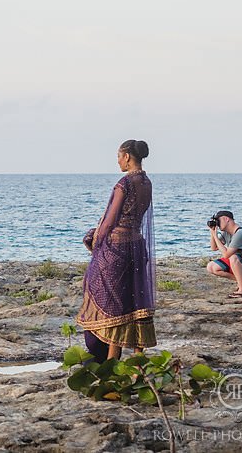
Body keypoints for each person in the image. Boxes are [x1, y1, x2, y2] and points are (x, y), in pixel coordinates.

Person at [77, 140, 157, 363]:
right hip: (137, 246)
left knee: (111, 301)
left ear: (128, 157)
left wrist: (96, 241)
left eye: (119, 156)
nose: (118, 160)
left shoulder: (124, 183)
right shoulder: (146, 182)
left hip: (118, 248)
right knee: (134, 301)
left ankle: (110, 358)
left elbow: (110, 221)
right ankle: (137, 357)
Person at [206, 210, 242, 298]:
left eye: (218, 221)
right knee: (211, 267)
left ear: (226, 219)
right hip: (239, 263)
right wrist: (212, 232)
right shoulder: (226, 233)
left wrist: (215, 236)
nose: (217, 224)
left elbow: (226, 255)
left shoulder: (240, 233)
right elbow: (214, 247)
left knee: (233, 257)